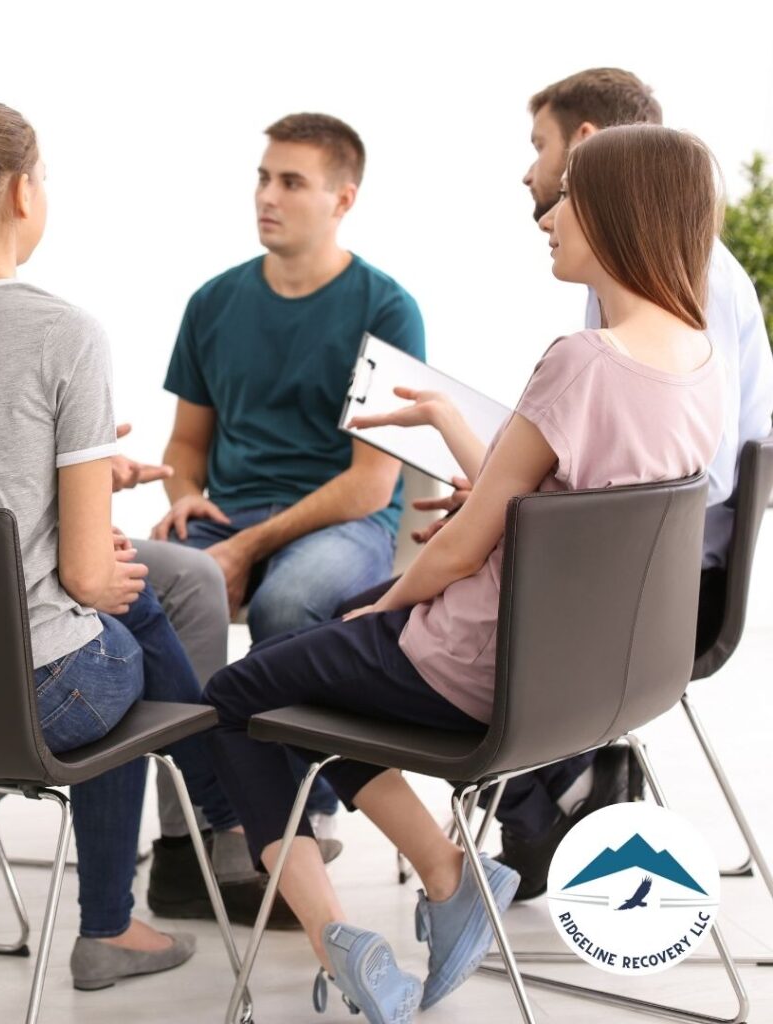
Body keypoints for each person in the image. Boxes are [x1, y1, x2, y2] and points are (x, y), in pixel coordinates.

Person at [202, 124, 726, 1023]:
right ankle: (449, 876)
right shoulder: (697, 359)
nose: (549, 214)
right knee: (323, 665)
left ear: (620, 215)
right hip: (585, 678)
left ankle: (366, 925)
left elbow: (460, 548)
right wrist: (450, 422)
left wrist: (387, 613)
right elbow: (547, 504)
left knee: (240, 695)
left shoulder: (582, 361)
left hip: (476, 663)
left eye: (568, 198)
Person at [0, 97, 260, 990]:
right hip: (29, 700)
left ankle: (211, 826)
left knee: (128, 602)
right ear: (24, 193)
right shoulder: (65, 333)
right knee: (130, 630)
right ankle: (201, 837)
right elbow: (81, 573)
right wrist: (95, 570)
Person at [401, 67, 773, 900]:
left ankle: (488, 838)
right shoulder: (638, 284)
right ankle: (532, 810)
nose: (530, 173)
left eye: (541, 148)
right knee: (420, 588)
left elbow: (692, 477)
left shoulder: (687, 287)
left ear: (591, 150)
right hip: (630, 575)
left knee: (368, 618)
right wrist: (504, 497)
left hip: (655, 592)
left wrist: (516, 513)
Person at [153, 112, 425, 830]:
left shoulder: (386, 309)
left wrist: (244, 549)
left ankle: (307, 806)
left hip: (343, 519)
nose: (267, 196)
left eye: (292, 182)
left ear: (343, 200)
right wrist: (183, 496)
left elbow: (371, 483)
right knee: (137, 594)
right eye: (264, 178)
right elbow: (185, 447)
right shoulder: (212, 303)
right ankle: (198, 824)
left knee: (288, 604)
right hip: (228, 510)